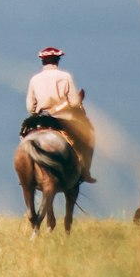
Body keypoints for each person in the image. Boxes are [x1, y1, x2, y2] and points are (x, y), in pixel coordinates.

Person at [23, 46, 96, 182]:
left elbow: (30, 106)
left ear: (43, 61)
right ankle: (85, 171)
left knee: (24, 138)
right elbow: (74, 102)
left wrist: (35, 110)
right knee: (87, 138)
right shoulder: (65, 77)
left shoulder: (34, 79)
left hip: (41, 118)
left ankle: (27, 172)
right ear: (57, 60)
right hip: (63, 117)